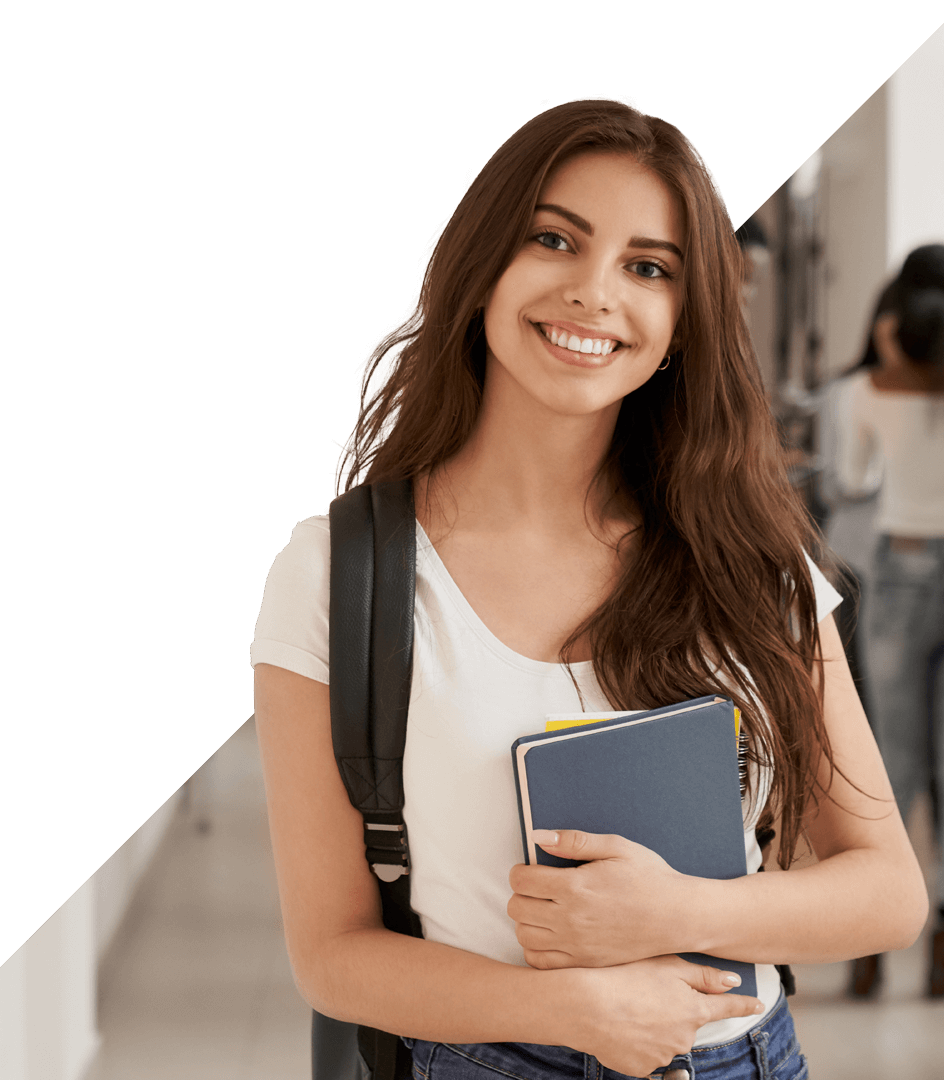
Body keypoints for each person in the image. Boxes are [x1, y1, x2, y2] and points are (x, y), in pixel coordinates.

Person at [251, 98, 929, 1080]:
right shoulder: (336, 575)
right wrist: (572, 1009)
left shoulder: (749, 558)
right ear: (482, 262)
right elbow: (333, 953)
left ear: (684, 324)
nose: (594, 293)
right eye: (555, 240)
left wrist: (680, 910)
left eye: (649, 267)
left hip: (739, 1061)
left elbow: (888, 892)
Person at [825, 244, 944, 999]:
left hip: (899, 575)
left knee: (891, 761)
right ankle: (940, 953)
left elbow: (851, 480)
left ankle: (873, 947)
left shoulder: (868, 391)